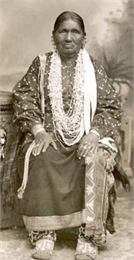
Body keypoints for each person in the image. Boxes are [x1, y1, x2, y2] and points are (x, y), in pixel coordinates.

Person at [11, 11, 122, 260]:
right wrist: (38, 131)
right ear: (54, 37)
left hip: (85, 138)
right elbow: (23, 98)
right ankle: (44, 234)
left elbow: (110, 106)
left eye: (75, 32)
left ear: (84, 38)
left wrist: (94, 135)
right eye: (63, 31)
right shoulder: (41, 65)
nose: (68, 37)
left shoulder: (93, 68)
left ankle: (88, 236)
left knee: (93, 160)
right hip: (48, 137)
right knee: (40, 157)